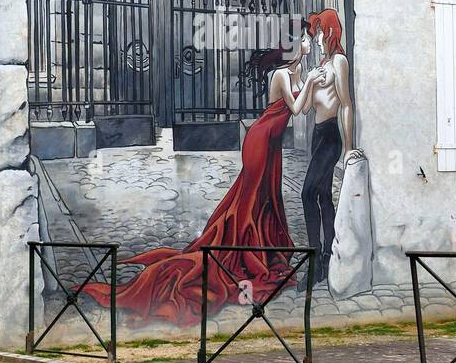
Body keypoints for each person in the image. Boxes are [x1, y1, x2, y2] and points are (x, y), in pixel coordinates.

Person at [81, 31, 325, 325]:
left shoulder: (299, 75)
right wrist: (312, 82)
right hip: (260, 141)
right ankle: (244, 249)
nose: (310, 42)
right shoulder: (281, 76)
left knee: (266, 198)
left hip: (272, 145)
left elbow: (307, 108)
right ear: (295, 46)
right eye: (306, 38)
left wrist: (315, 84)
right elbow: (297, 110)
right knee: (249, 199)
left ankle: (263, 246)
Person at [301, 10, 359, 285]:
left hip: (330, 137)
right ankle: (326, 258)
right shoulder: (323, 64)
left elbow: (346, 104)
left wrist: (348, 148)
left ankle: (314, 258)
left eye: (319, 33)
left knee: (306, 193)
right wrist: (311, 80)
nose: (316, 39)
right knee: (323, 196)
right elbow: (307, 108)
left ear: (331, 32)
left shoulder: (339, 62)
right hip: (317, 134)